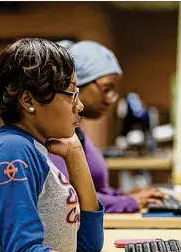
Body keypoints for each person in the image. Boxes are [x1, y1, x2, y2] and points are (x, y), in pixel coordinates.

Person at [0, 38, 181, 252]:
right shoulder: (12, 151)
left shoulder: (36, 149)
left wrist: (75, 156)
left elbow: (88, 243)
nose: (79, 105)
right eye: (71, 93)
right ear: (28, 99)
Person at [48, 40, 168, 213]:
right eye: (107, 88)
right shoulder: (53, 135)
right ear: (75, 85)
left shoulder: (76, 131)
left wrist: (122, 196)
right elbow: (69, 195)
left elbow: (94, 190)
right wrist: (129, 202)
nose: (111, 98)